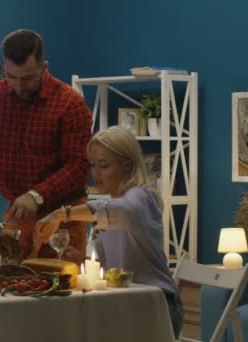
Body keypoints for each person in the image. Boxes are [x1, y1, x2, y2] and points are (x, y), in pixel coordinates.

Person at [0, 28, 93, 259]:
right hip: (18, 213)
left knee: (63, 285)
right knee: (14, 281)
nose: (18, 85)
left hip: (64, 216)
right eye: (11, 76)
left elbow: (78, 166)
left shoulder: (70, 103)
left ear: (44, 67)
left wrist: (37, 195)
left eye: (27, 78)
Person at [35, 127, 183, 338]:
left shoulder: (142, 197)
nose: (96, 173)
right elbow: (112, 271)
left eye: (104, 165)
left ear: (127, 165)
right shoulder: (112, 206)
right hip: (124, 302)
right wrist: (83, 260)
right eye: (93, 165)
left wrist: (62, 214)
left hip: (157, 304)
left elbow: (122, 211)